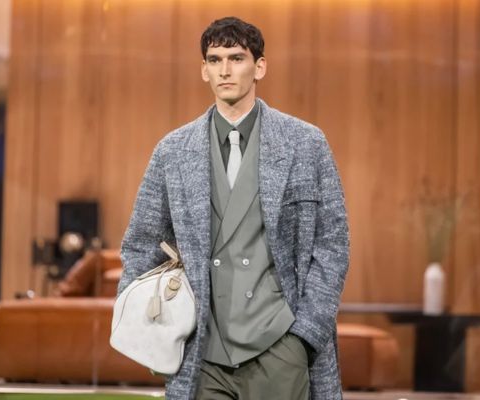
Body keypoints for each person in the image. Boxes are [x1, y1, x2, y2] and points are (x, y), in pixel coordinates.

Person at [118, 16, 349, 400]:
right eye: (215, 60)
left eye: (237, 58)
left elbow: (332, 244)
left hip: (279, 345)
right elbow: (142, 243)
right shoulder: (173, 152)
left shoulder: (305, 144)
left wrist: (306, 334)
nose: (225, 70)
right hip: (201, 352)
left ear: (260, 67)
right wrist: (149, 328)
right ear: (204, 70)